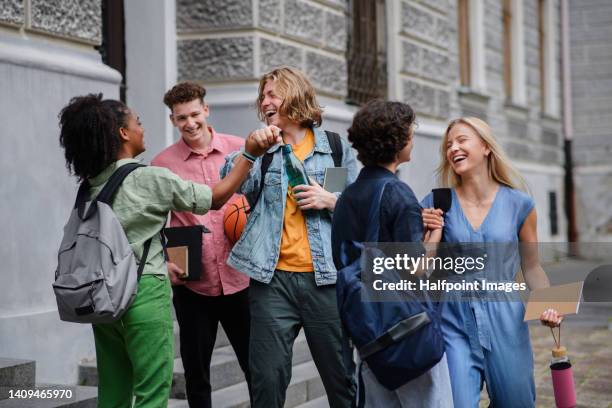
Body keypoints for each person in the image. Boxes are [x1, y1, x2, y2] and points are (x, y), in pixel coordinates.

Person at [57, 94, 279, 408]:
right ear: (123, 133)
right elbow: (215, 198)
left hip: (103, 295)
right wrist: (250, 154)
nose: (142, 128)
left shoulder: (91, 184)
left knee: (114, 390)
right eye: (138, 122)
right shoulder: (149, 176)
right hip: (144, 291)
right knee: (152, 392)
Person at [220, 66, 357, 408]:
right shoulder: (264, 154)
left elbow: (355, 211)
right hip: (272, 282)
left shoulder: (334, 150)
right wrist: (250, 152)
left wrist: (330, 200)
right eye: (262, 96)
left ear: (294, 95)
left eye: (272, 94)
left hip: (324, 281)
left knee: (340, 379)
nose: (264, 102)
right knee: (266, 381)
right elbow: (229, 184)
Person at [421, 117, 563, 407]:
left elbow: (532, 267)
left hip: (507, 318)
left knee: (517, 402)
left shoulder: (519, 204)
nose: (453, 148)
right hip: (453, 319)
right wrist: (431, 235)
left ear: (486, 147)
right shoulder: (436, 202)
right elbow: (421, 270)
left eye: (462, 140)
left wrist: (549, 304)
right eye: (449, 145)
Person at [331, 99, 453, 407]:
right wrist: (435, 236)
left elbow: (344, 261)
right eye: (410, 132)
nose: (412, 137)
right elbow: (415, 269)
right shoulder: (398, 192)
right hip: (407, 331)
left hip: (370, 333)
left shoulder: (347, 197)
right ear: (397, 142)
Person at [151, 82, 251, 408]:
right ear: (172, 120)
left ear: (206, 110)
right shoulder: (162, 164)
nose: (190, 123)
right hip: (192, 284)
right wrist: (161, 261)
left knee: (258, 368)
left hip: (242, 279)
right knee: (196, 374)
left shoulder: (241, 150)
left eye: (194, 114)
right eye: (181, 118)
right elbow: (152, 221)